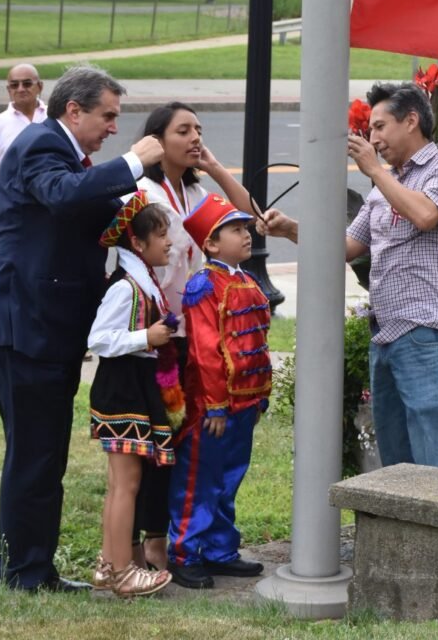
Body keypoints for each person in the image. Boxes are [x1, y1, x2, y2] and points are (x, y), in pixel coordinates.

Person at [0, 65, 164, 592]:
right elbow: (64, 195)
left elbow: (91, 206)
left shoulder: (69, 159)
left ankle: (32, 569)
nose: (113, 128)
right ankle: (21, 575)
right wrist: (134, 162)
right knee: (35, 453)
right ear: (72, 111)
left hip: (43, 327)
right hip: (22, 326)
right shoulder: (40, 145)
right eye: (107, 116)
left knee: (44, 452)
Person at [260, 81, 438, 472]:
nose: (372, 137)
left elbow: (425, 216)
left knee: (437, 455)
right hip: (386, 336)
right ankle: (404, 532)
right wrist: (290, 228)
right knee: (397, 463)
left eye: (379, 126)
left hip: (427, 328)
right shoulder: (381, 190)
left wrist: (375, 171)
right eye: (370, 129)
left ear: (411, 121)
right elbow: (344, 248)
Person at [133, 101, 256, 571]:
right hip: (159, 333)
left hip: (198, 331)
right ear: (158, 138)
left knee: (193, 444)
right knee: (158, 443)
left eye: (199, 129)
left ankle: (191, 543)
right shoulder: (142, 189)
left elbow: (248, 216)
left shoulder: (195, 190)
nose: (195, 137)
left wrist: (215, 167)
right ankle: (153, 543)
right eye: (183, 130)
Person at [167, 194, 271, 589]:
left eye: (245, 228)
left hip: (245, 402)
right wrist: (213, 405)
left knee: (230, 477)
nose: (246, 235)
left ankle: (219, 550)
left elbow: (255, 340)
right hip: (211, 407)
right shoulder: (203, 285)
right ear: (210, 244)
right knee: (199, 479)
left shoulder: (246, 279)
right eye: (235, 229)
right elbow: (206, 351)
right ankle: (184, 552)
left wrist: (259, 394)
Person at [88, 191, 176, 599]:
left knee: (119, 483)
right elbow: (99, 339)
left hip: (131, 387)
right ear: (137, 244)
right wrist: (148, 336)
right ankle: (124, 570)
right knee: (127, 483)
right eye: (161, 235)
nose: (169, 242)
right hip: (122, 388)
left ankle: (109, 564)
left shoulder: (142, 283)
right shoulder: (126, 288)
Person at [0, 62, 47, 182]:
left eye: (27, 83)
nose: (20, 89)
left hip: (55, 197)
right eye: (14, 85)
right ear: (9, 90)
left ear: (40, 87)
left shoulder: (56, 117)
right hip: (17, 199)